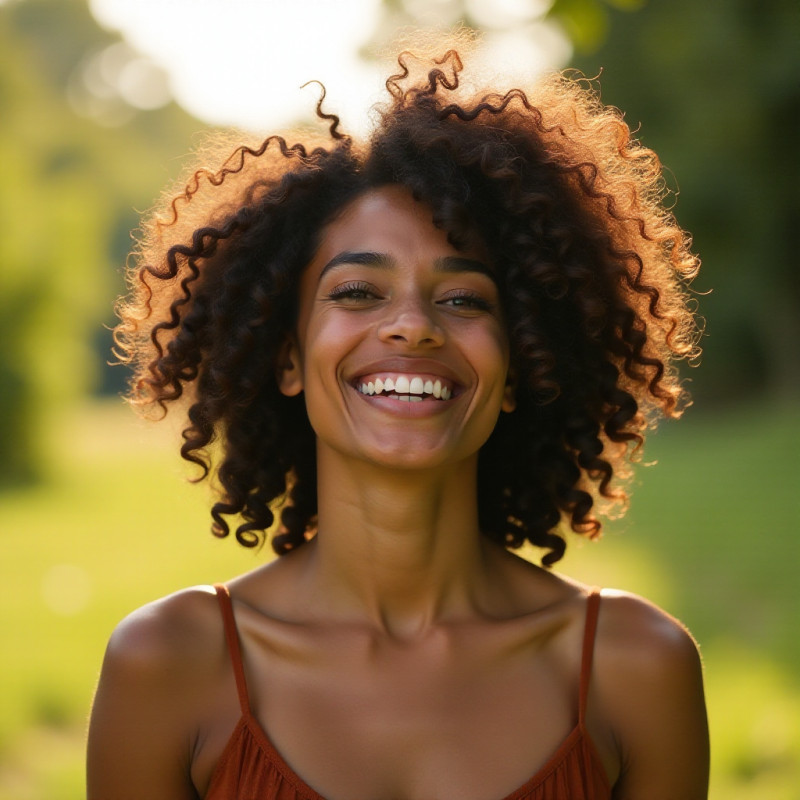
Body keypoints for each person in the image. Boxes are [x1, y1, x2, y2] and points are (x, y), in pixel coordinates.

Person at [87, 38, 709, 800]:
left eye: (463, 299)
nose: (413, 327)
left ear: (520, 368)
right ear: (286, 357)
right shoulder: (168, 665)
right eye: (357, 293)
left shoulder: (636, 669)